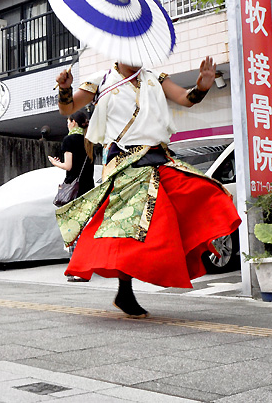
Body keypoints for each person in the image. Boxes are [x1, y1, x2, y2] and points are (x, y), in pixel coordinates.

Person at [54, 57, 241, 318]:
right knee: (128, 229)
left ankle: (179, 259)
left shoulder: (155, 78)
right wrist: (65, 88)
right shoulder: (102, 80)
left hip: (159, 158)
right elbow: (68, 108)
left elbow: (186, 98)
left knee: (205, 190)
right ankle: (125, 291)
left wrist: (202, 86)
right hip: (124, 163)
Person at [48, 110, 94, 282]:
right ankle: (84, 266)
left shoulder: (69, 140)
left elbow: (68, 166)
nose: (67, 124)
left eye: (68, 121)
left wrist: (55, 163)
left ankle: (77, 269)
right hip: (88, 190)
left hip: (74, 191)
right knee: (84, 230)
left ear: (73, 122)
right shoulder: (88, 140)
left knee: (72, 230)